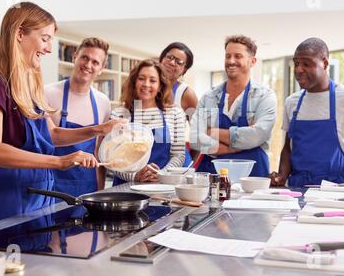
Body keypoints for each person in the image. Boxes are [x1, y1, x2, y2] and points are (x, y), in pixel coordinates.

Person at [0, 2, 119, 224]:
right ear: (20, 33)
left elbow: (51, 135)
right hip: (9, 199)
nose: (49, 49)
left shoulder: (28, 85)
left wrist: (100, 129)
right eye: (45, 38)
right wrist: (60, 162)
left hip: (39, 198)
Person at [270, 37, 344, 204]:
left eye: (306, 64)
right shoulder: (292, 102)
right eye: (296, 64)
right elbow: (288, 148)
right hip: (297, 191)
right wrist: (282, 175)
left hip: (337, 191)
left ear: (324, 63)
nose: (299, 69)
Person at [190, 35, 277, 176]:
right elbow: (195, 139)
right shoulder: (209, 97)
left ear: (252, 61)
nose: (231, 61)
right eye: (228, 56)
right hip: (213, 176)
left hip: (252, 177)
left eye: (238, 56)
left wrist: (211, 131)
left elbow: (257, 135)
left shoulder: (265, 96)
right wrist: (236, 146)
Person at [45, 38, 112, 195]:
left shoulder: (103, 102)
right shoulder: (47, 93)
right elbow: (46, 140)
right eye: (85, 58)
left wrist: (99, 192)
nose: (88, 65)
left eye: (95, 62)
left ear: (102, 68)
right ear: (75, 57)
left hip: (87, 190)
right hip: (52, 188)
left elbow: (98, 152)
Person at [111, 59, 186, 184]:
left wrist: (162, 174)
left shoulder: (174, 114)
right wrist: (135, 176)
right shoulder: (119, 114)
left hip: (160, 187)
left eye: (152, 80)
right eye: (141, 78)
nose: (146, 84)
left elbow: (178, 155)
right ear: (134, 82)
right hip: (124, 189)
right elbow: (112, 159)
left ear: (160, 86)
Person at [159, 42, 199, 166]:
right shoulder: (146, 88)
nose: (172, 63)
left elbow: (200, 136)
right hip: (148, 163)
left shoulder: (186, 94)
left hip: (176, 165)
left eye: (179, 62)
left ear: (184, 69)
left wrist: (188, 164)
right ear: (161, 58)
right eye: (169, 57)